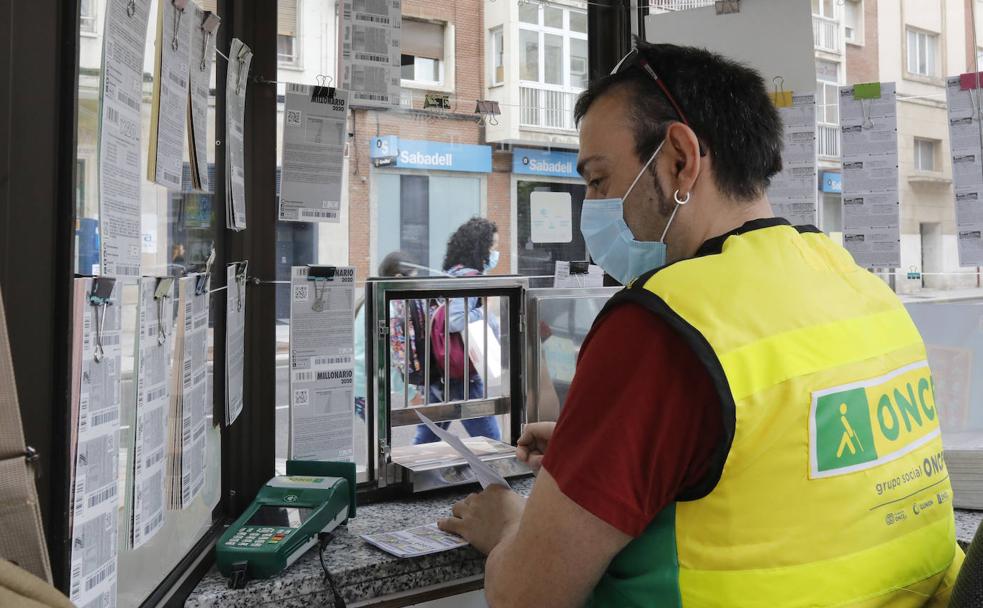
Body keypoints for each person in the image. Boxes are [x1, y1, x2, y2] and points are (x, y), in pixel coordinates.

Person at [437, 42, 963, 607]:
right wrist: (597, 446)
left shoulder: (664, 326)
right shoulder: (863, 290)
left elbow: (526, 595)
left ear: (680, 161)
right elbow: (783, 474)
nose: (592, 205)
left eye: (598, 179)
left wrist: (508, 526)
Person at [413, 217, 502, 444]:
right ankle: (500, 476)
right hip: (461, 371)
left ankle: (408, 476)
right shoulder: (470, 279)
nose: (495, 253)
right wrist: (486, 312)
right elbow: (455, 321)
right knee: (491, 439)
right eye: (493, 246)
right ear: (480, 247)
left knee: (428, 434)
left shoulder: (452, 273)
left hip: (441, 366)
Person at [353, 251, 429, 421]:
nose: (415, 284)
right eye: (413, 279)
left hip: (361, 384)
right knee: (380, 440)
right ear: (398, 277)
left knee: (379, 438)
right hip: (369, 386)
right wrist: (411, 394)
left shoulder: (372, 300)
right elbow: (392, 358)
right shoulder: (389, 309)